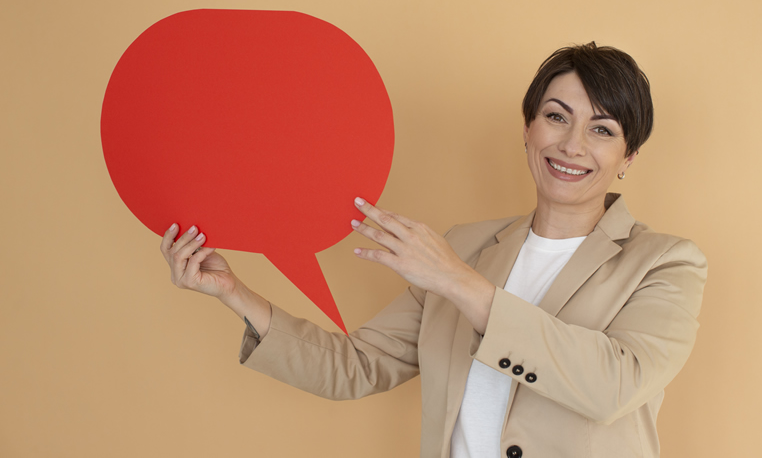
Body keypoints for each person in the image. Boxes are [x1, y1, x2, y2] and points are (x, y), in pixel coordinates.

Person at [160, 43, 706, 458]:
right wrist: (234, 293)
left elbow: (614, 386)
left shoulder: (664, 263)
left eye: (602, 129)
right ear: (528, 128)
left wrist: (454, 279)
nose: (572, 145)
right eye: (557, 116)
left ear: (629, 155)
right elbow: (356, 366)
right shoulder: (467, 246)